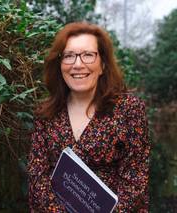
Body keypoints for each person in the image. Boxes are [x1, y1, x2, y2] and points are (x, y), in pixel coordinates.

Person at [27, 22, 149, 212]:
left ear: (103, 65)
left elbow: (135, 179)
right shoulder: (45, 114)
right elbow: (37, 175)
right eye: (69, 56)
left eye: (88, 55)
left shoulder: (128, 110)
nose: (77, 64)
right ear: (60, 65)